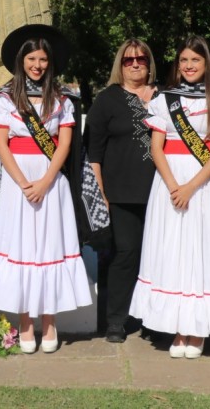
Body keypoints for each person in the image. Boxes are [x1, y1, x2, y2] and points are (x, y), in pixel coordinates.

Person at [0, 24, 92, 354]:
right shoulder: (5, 98)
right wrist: (25, 183)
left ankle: (50, 322)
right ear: (21, 60)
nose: (37, 65)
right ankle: (26, 323)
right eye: (31, 58)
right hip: (16, 183)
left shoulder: (64, 99)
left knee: (50, 247)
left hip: (51, 181)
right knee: (23, 247)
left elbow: (66, 145)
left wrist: (45, 181)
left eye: (42, 59)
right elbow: (0, 144)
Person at [129, 36, 210, 359]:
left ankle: (196, 329)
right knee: (170, 250)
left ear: (207, 65)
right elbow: (156, 147)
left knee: (197, 251)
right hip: (167, 183)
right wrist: (174, 184)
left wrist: (190, 186)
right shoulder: (164, 99)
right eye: (184, 60)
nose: (189, 66)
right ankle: (176, 326)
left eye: (195, 61)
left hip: (201, 184)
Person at [85, 38, 158, 343]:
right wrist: (100, 193)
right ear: (120, 65)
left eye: (141, 58)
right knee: (125, 254)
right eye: (128, 60)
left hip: (162, 193)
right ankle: (116, 320)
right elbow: (94, 152)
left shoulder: (165, 98)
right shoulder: (107, 100)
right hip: (120, 193)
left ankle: (154, 319)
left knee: (157, 256)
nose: (136, 64)